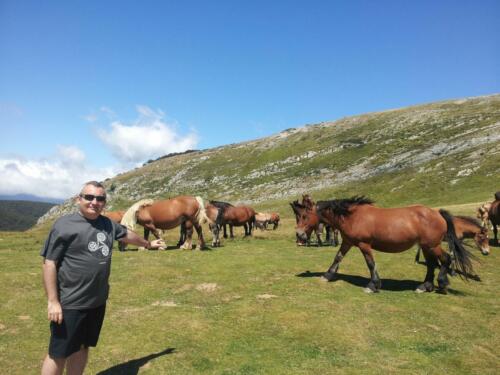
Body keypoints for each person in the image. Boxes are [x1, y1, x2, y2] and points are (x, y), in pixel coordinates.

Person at [40, 181, 164, 375]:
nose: (94, 202)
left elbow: (127, 235)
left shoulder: (107, 224)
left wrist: (148, 244)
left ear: (104, 202)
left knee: (82, 346)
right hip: (70, 302)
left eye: (100, 198)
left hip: (96, 301)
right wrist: (53, 301)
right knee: (59, 352)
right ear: (78, 199)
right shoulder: (64, 225)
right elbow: (49, 263)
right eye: (89, 197)